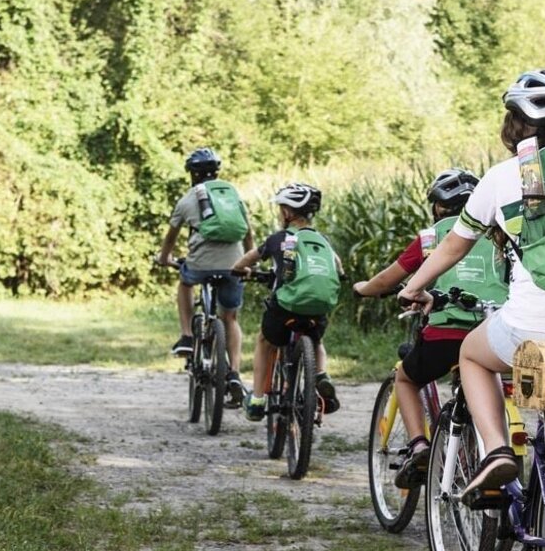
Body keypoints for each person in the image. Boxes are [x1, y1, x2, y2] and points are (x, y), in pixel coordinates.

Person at [399, 69, 545, 497]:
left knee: (472, 355)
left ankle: (497, 452)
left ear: (517, 123)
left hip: (534, 324)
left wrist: (413, 286)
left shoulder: (506, 174)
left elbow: (452, 247)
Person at [354, 168, 509, 489]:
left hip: (446, 335)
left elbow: (388, 278)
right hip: (496, 332)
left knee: (405, 377)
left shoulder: (432, 237)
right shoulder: (499, 234)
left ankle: (419, 446)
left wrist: (363, 288)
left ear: (438, 207)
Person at [231, 183, 344, 421]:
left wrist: (240, 270)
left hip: (286, 308)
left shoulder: (278, 239)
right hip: (319, 308)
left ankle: (258, 399)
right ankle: (322, 375)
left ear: (287, 213)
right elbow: (339, 268)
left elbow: (247, 260)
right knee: (316, 339)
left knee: (265, 340)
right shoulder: (322, 241)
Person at [157, 147, 251, 406]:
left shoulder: (188, 199)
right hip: (235, 263)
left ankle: (187, 335)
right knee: (230, 317)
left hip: (200, 264)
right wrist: (248, 259)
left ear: (192, 175)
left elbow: (171, 237)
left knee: (186, 281)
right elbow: (247, 231)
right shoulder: (232, 195)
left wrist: (165, 258)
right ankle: (233, 372)